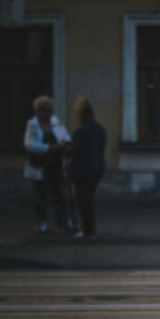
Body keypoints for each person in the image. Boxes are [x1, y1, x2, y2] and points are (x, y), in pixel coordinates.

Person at [22, 95, 72, 235]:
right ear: (37, 111)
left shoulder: (56, 122)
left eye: (48, 111)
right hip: (40, 165)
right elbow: (29, 144)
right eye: (42, 111)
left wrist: (64, 144)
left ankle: (63, 222)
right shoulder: (32, 124)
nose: (46, 114)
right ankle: (42, 223)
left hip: (55, 165)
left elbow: (66, 136)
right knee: (40, 196)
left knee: (59, 195)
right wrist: (49, 148)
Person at [69, 97, 107, 241]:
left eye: (77, 114)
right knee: (88, 200)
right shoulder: (100, 130)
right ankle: (89, 230)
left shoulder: (81, 132)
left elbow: (76, 152)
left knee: (83, 200)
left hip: (84, 171)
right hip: (98, 168)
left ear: (82, 114)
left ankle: (88, 231)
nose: (77, 118)